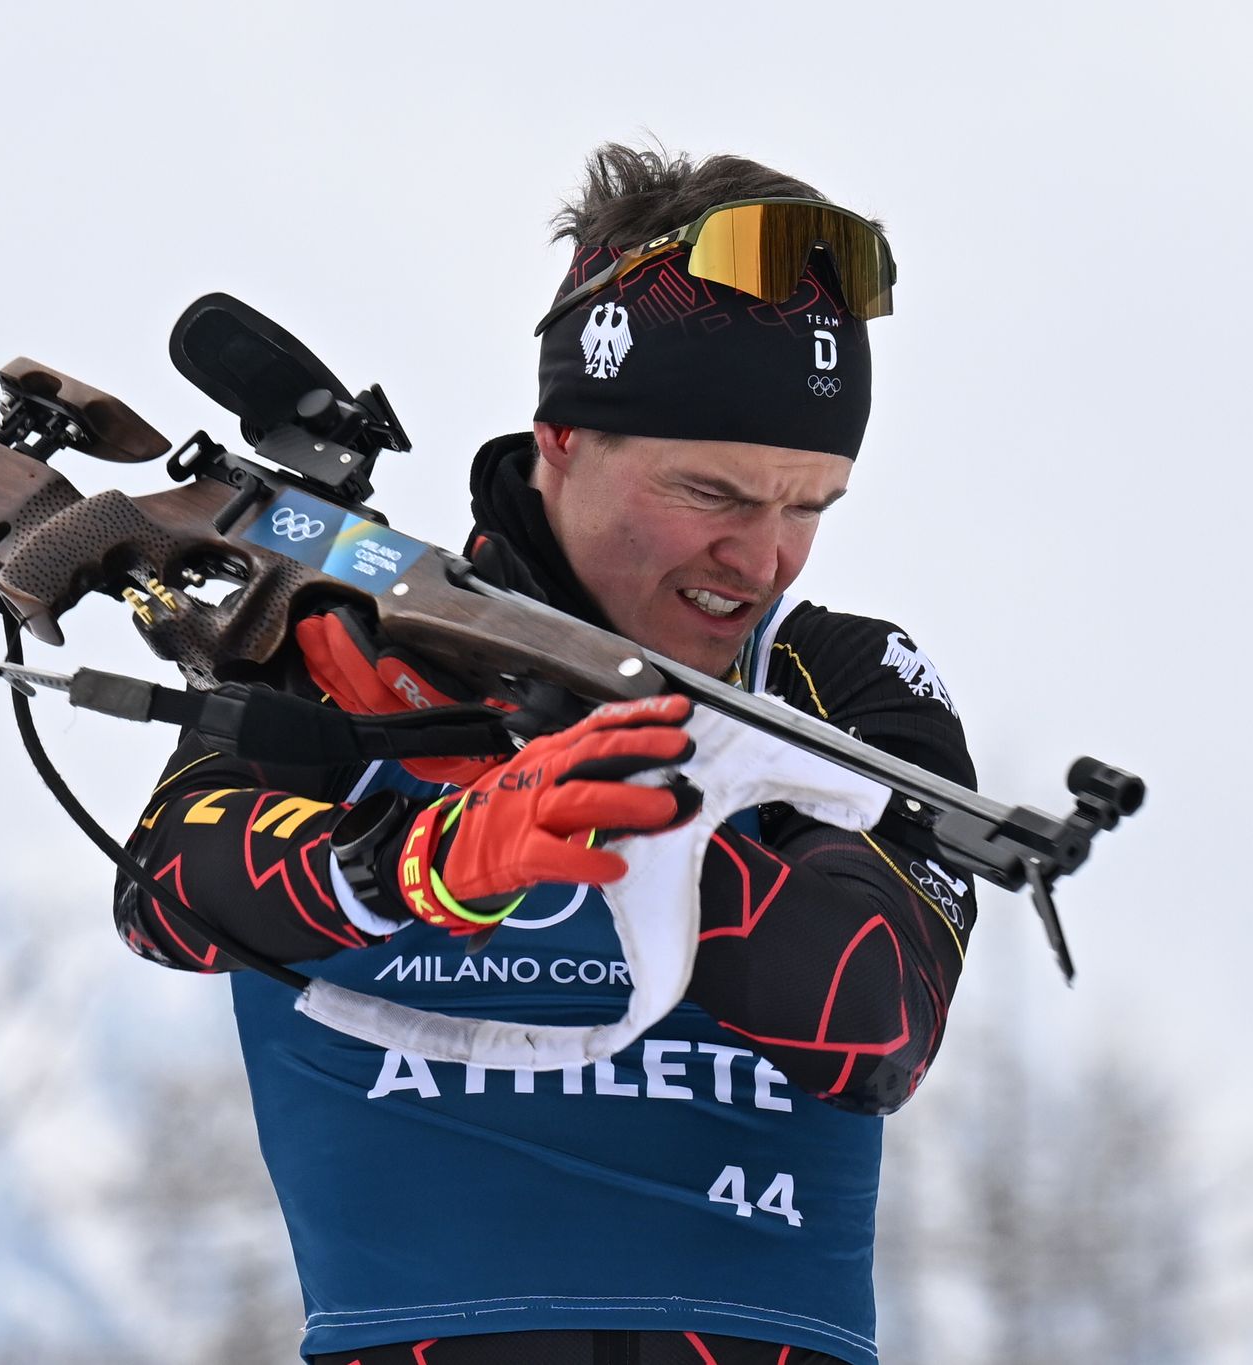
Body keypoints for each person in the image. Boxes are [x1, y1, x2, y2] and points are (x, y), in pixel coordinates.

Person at [115, 143, 979, 1365]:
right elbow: (165, 889)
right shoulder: (348, 634)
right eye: (713, 494)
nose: (762, 559)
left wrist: (594, 784)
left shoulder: (836, 680)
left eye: (808, 506)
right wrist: (425, 859)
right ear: (563, 436)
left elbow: (877, 1018)